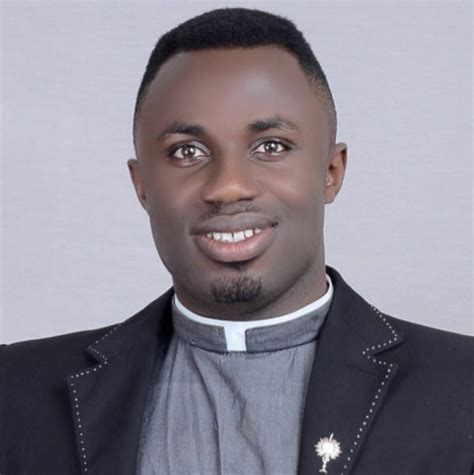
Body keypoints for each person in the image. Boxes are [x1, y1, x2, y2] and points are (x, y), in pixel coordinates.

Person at [1, 7, 472, 475]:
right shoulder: (14, 392)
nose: (228, 186)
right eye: (187, 151)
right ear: (142, 186)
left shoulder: (462, 389)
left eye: (271, 146)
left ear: (331, 172)